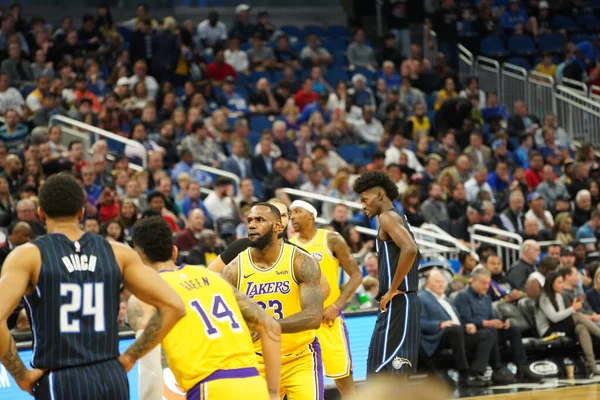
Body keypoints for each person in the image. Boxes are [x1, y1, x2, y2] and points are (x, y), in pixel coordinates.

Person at [0, 173, 186, 398]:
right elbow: (174, 305)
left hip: (61, 378)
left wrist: (21, 375)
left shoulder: (27, 256)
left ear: (40, 213)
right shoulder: (118, 252)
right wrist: (130, 356)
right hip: (111, 376)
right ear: (81, 212)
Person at [128, 216, 281, 400]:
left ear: (137, 256)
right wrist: (273, 393)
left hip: (210, 387)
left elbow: (150, 366)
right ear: (174, 252)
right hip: (254, 384)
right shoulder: (214, 278)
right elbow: (271, 325)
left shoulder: (147, 294)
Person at [220, 203, 325, 399]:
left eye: (259, 220)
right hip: (256, 361)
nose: (251, 225)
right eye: (249, 220)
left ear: (278, 226)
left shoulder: (300, 261)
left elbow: (313, 316)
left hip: (299, 357)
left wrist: (267, 326)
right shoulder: (233, 270)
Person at [289, 200, 362, 396]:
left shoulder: (331, 239)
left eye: (297, 211)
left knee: (343, 379)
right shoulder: (289, 247)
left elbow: (356, 275)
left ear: (311, 215)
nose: (292, 216)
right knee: (302, 381)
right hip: (303, 324)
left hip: (329, 320)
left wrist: (337, 306)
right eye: (290, 213)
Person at [353, 171, 421, 376]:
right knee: (383, 371)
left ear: (380, 195)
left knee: (388, 374)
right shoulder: (397, 217)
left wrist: (392, 289)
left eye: (365, 199)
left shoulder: (386, 217)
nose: (363, 205)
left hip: (400, 300)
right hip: (402, 302)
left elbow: (410, 249)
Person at [454, 268, 534, 383]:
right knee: (491, 330)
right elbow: (465, 320)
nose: (487, 287)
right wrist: (487, 323)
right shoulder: (463, 296)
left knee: (512, 329)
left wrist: (501, 323)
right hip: (474, 333)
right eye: (483, 283)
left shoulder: (486, 297)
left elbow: (491, 317)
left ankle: (522, 366)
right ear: (474, 281)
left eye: (488, 283)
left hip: (489, 330)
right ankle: (497, 369)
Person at [418, 268, 496, 387]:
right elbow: (419, 323)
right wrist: (440, 324)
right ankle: (463, 373)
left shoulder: (447, 299)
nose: (441, 284)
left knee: (487, 334)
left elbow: (457, 321)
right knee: (454, 329)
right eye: (437, 281)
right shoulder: (421, 298)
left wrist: (467, 326)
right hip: (437, 337)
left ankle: (475, 373)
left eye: (442, 281)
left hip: (458, 333)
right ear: (427, 283)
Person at [535, 271, 600, 375]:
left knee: (581, 327)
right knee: (577, 316)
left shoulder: (559, 296)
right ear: (551, 284)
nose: (562, 285)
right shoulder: (544, 298)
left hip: (559, 327)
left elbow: (561, 315)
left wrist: (572, 308)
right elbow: (554, 318)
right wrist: (573, 309)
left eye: (562, 282)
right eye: (559, 283)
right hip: (547, 331)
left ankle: (592, 366)